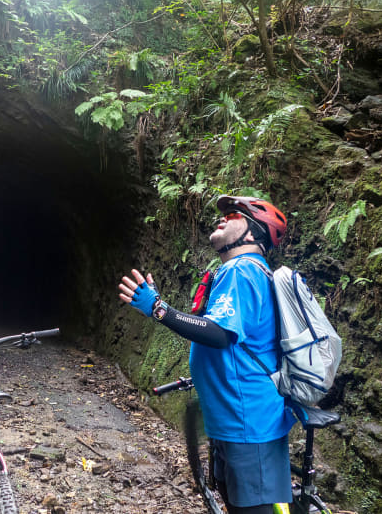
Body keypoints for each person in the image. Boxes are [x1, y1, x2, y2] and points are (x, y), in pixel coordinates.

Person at [118, 195, 296, 514]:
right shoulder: (249, 272)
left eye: (234, 215)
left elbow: (219, 333)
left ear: (253, 234)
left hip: (247, 421)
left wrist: (160, 309)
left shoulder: (241, 271)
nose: (223, 218)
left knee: (253, 510)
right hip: (239, 418)